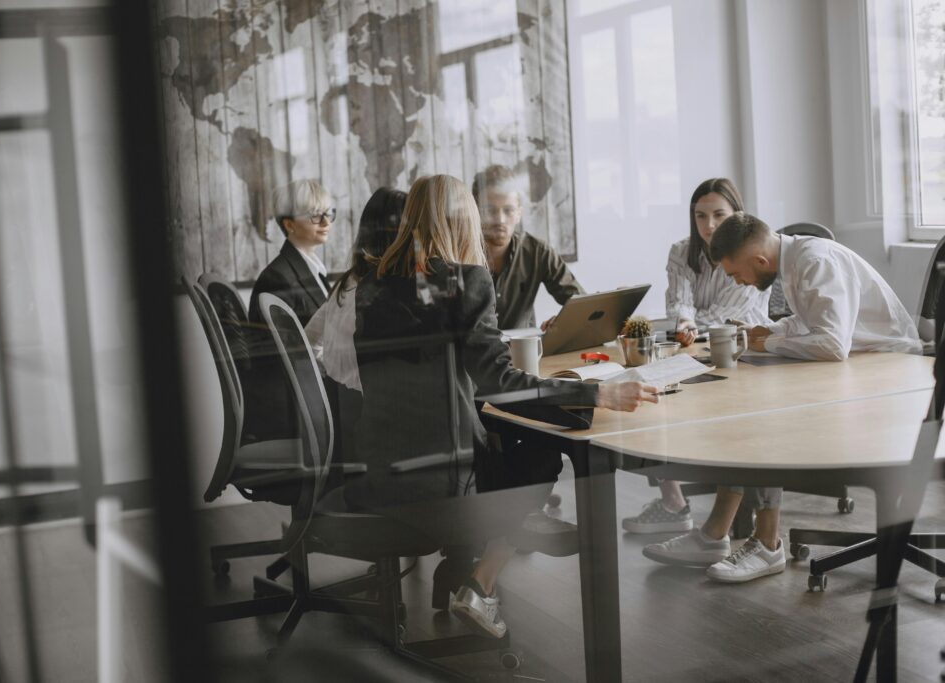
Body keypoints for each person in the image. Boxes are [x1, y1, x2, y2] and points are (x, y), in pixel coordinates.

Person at [350, 175, 659, 637]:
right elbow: (501, 382)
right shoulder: (465, 281)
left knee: (506, 434)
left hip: (384, 476)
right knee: (541, 449)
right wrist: (598, 394)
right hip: (446, 485)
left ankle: (474, 578)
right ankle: (482, 582)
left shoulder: (371, 287)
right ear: (463, 220)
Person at [642, 212, 921, 584]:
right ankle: (717, 533)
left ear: (759, 261)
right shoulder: (794, 262)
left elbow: (834, 344)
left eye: (735, 273)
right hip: (863, 366)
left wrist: (770, 342)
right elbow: (810, 322)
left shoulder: (816, 261)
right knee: (748, 406)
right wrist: (768, 330)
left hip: (892, 378)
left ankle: (765, 542)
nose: (736, 281)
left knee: (763, 414)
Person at [622, 178, 771, 535]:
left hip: (744, 350)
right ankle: (673, 501)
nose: (709, 225)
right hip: (693, 346)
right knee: (649, 392)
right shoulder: (681, 250)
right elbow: (679, 299)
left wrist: (690, 322)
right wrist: (684, 319)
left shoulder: (747, 250)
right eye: (701, 216)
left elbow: (728, 312)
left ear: (738, 214)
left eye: (719, 214)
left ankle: (736, 509)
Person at [305, 187, 406, 393]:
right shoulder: (381, 292)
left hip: (344, 403)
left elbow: (307, 341)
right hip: (366, 409)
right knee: (485, 412)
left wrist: (335, 379)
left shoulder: (347, 281)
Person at [472, 165, 583, 330]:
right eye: (490, 210)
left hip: (525, 352)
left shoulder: (538, 252)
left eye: (508, 210)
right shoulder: (458, 253)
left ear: (518, 213)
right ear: (475, 211)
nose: (500, 220)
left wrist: (563, 322)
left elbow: (580, 304)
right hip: (475, 353)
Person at [249, 178, 336, 327]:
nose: (326, 222)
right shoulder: (276, 279)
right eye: (315, 214)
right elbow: (283, 348)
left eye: (328, 213)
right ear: (289, 224)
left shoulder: (316, 271)